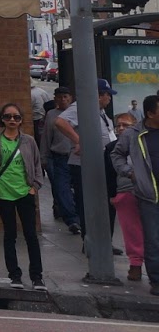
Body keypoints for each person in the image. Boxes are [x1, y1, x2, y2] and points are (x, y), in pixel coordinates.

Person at [0, 101, 46, 289]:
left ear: (21, 120)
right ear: (1, 119)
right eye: (7, 116)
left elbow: (37, 164)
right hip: (3, 193)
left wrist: (34, 186)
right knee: (10, 234)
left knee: (31, 235)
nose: (12, 120)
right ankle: (14, 275)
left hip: (25, 192)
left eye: (16, 117)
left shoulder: (29, 141)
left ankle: (37, 277)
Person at [56, 79, 117, 240]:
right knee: (89, 204)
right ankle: (89, 240)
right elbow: (60, 122)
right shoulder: (81, 106)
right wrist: (79, 141)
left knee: (105, 203)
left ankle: (105, 241)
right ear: (98, 95)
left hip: (103, 163)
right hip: (85, 165)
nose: (109, 99)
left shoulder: (101, 112)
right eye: (107, 95)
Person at [111, 94, 159, 296]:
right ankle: (156, 281)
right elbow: (116, 154)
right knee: (153, 239)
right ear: (150, 113)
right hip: (148, 195)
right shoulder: (133, 134)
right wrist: (130, 173)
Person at [110, 111, 144, 281]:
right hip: (126, 190)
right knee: (132, 231)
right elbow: (109, 172)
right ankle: (136, 264)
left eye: (126, 125)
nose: (121, 128)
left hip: (147, 190)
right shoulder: (113, 147)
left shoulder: (144, 138)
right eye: (119, 125)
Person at [42, 87, 76, 227]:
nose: (63, 99)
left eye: (65, 97)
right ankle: (72, 219)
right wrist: (43, 157)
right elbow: (46, 136)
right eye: (60, 97)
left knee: (78, 188)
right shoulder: (51, 115)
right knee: (61, 189)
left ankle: (78, 213)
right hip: (59, 157)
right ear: (55, 99)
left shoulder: (76, 113)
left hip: (76, 156)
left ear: (70, 98)